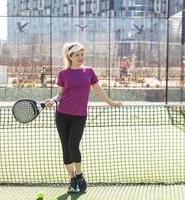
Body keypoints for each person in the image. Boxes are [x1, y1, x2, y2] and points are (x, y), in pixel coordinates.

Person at [44, 42, 122, 193]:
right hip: (62, 115)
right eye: (77, 55)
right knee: (66, 149)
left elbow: (98, 90)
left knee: (73, 146)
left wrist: (110, 102)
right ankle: (72, 179)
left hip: (79, 116)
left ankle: (79, 175)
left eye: (82, 55)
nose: (81, 57)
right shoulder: (63, 74)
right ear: (70, 56)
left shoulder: (89, 72)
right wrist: (52, 101)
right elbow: (60, 94)